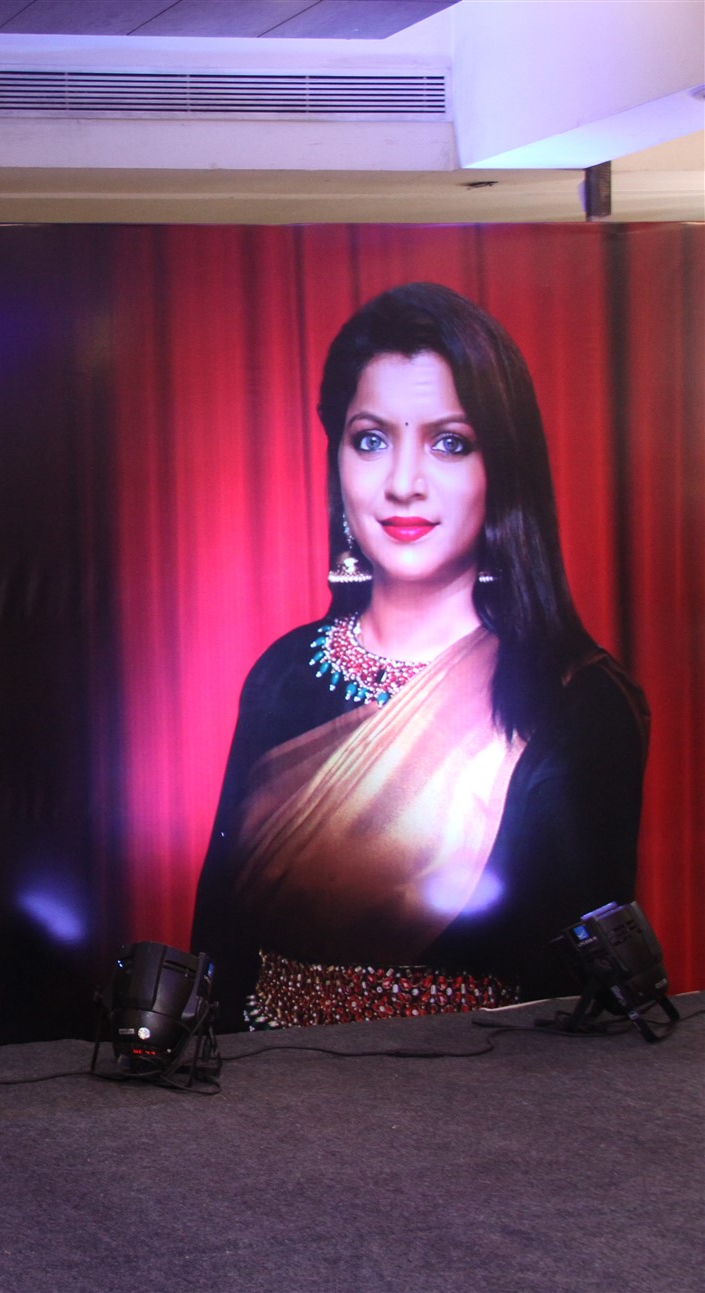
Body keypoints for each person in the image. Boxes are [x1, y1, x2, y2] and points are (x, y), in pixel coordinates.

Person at [189, 282, 648, 1030]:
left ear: (502, 466)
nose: (403, 484)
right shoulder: (282, 673)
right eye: (371, 440)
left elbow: (579, 1003)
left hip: (472, 1085)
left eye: (449, 442)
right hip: (264, 1081)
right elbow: (219, 945)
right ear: (337, 458)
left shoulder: (576, 700)